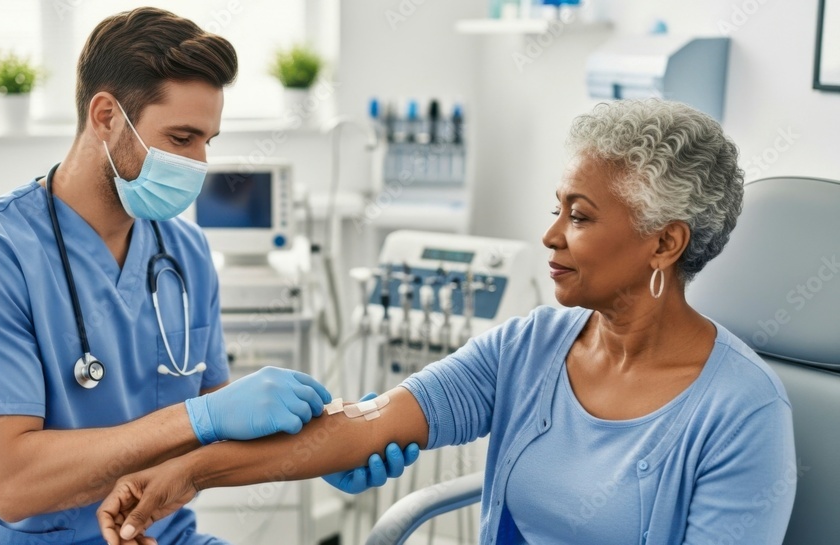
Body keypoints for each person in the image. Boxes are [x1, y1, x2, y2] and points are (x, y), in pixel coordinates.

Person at [97, 99, 797, 545]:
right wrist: (188, 473)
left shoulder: (741, 412)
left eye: (580, 216)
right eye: (556, 207)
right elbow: (370, 422)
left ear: (665, 243)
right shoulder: (534, 345)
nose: (550, 235)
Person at [0, 8, 415, 545]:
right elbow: (13, 485)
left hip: (159, 534)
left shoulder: (184, 251)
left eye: (208, 141)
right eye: (182, 138)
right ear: (106, 115)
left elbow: (215, 431)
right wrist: (202, 416)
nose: (199, 163)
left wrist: (312, 451)